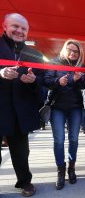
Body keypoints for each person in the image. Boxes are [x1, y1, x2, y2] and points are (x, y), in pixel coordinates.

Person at [0, 13, 44, 197]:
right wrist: (1, 73)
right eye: (15, 26)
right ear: (4, 26)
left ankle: (25, 182)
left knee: (21, 151)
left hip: (20, 111)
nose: (19, 31)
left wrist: (33, 81)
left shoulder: (34, 53)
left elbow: (42, 81)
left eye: (23, 29)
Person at [44, 39, 85, 190]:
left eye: (76, 51)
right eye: (70, 50)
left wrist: (78, 79)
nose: (73, 53)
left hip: (75, 106)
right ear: (65, 49)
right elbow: (47, 81)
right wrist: (59, 81)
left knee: (74, 139)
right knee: (59, 140)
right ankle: (60, 171)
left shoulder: (80, 66)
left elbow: (84, 84)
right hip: (58, 107)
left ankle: (71, 168)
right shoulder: (54, 62)